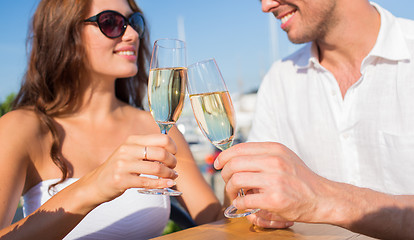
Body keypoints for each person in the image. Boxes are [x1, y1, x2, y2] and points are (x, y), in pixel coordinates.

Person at [0, 0, 223, 239]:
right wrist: (92, 188)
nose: (133, 34)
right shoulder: (21, 128)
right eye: (111, 22)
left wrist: (239, 193)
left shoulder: (157, 127)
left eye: (134, 22)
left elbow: (215, 221)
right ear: (64, 33)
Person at [214, 0, 414, 239]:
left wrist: (324, 199)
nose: (266, 6)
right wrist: (265, 206)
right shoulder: (279, 80)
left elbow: (319, 199)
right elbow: (254, 199)